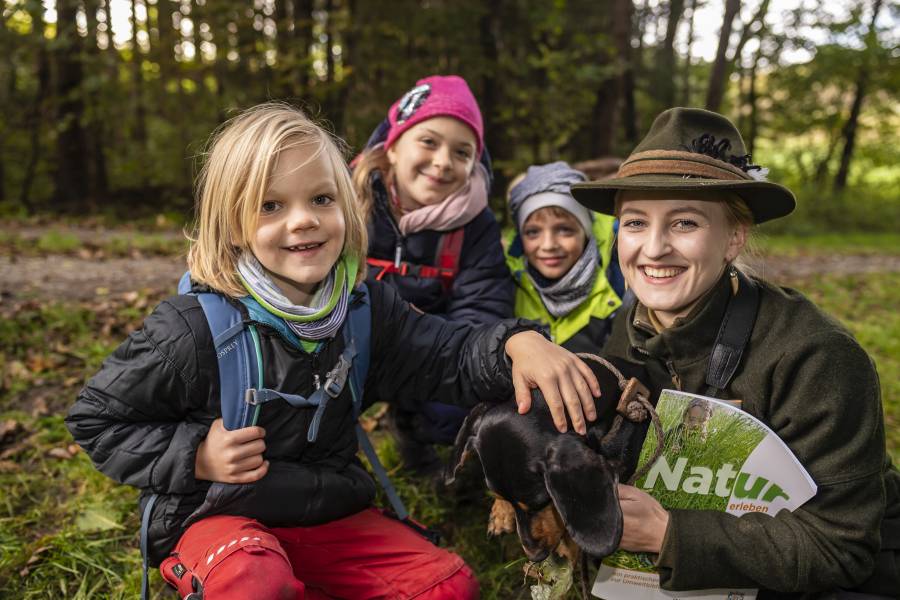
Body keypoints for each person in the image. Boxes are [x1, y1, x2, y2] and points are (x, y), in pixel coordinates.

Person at [65, 102, 602, 599]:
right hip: (216, 518)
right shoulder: (190, 328)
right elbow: (97, 419)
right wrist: (195, 456)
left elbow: (449, 353)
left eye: (321, 199)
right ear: (231, 224)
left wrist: (515, 341)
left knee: (447, 586)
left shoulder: (366, 309)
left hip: (321, 511)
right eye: (270, 206)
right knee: (253, 581)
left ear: (348, 207)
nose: (303, 220)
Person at [571, 107, 900, 598]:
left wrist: (668, 536)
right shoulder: (632, 324)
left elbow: (841, 549)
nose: (653, 249)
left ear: (733, 238)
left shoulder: (817, 357)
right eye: (635, 223)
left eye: (684, 223)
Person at [351, 75, 514, 475]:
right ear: (392, 147)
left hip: (431, 348)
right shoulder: (347, 203)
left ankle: (422, 442)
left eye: (461, 152)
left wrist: (456, 364)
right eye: (428, 142)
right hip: (352, 342)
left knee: (464, 394)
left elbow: (483, 307)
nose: (443, 161)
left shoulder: (475, 225)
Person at [504, 161, 623, 353]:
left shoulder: (619, 281)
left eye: (564, 230)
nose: (549, 245)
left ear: (585, 232)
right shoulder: (506, 284)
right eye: (533, 232)